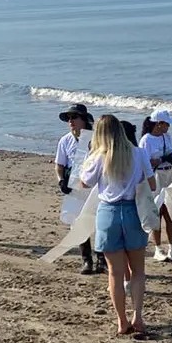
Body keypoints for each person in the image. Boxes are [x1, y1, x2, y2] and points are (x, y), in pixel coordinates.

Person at [79, 115, 157, 335]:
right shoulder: (138, 153)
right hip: (133, 210)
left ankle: (122, 320)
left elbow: (84, 183)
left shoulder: (99, 156)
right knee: (138, 270)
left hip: (109, 212)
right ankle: (137, 316)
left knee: (115, 272)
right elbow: (151, 184)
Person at [54, 104, 106, 275]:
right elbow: (59, 165)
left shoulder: (96, 139)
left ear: (84, 119)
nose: (71, 121)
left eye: (74, 117)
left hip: (94, 185)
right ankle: (86, 260)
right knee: (77, 221)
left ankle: (101, 259)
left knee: (98, 221)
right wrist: (61, 181)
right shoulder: (65, 140)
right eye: (69, 118)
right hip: (74, 186)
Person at [139, 110, 172, 262]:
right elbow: (143, 161)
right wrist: (161, 159)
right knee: (156, 211)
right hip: (155, 176)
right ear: (158, 124)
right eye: (166, 124)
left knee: (170, 211)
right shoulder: (146, 140)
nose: (168, 127)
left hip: (168, 174)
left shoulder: (166, 137)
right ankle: (158, 248)